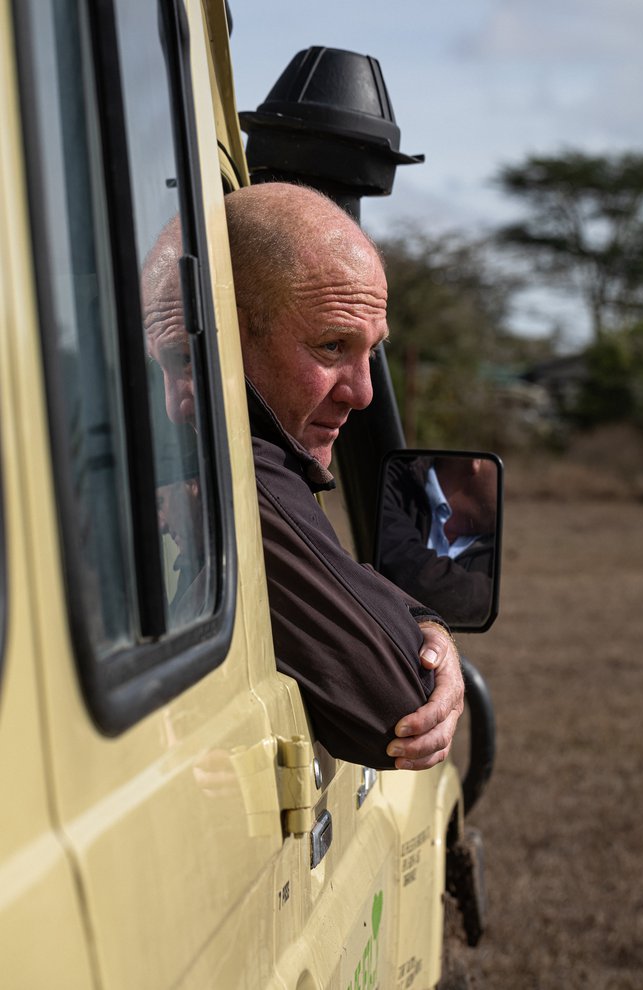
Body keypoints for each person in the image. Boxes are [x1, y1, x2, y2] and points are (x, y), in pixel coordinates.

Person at [143, 185, 464, 770]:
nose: (362, 392)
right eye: (331, 346)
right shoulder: (243, 474)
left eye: (370, 353)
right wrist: (422, 640)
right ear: (220, 343)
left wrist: (423, 621)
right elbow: (399, 711)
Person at [377, 454, 497, 626]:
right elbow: (408, 577)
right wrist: (493, 594)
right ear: (476, 461)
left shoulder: (496, 538)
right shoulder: (392, 481)